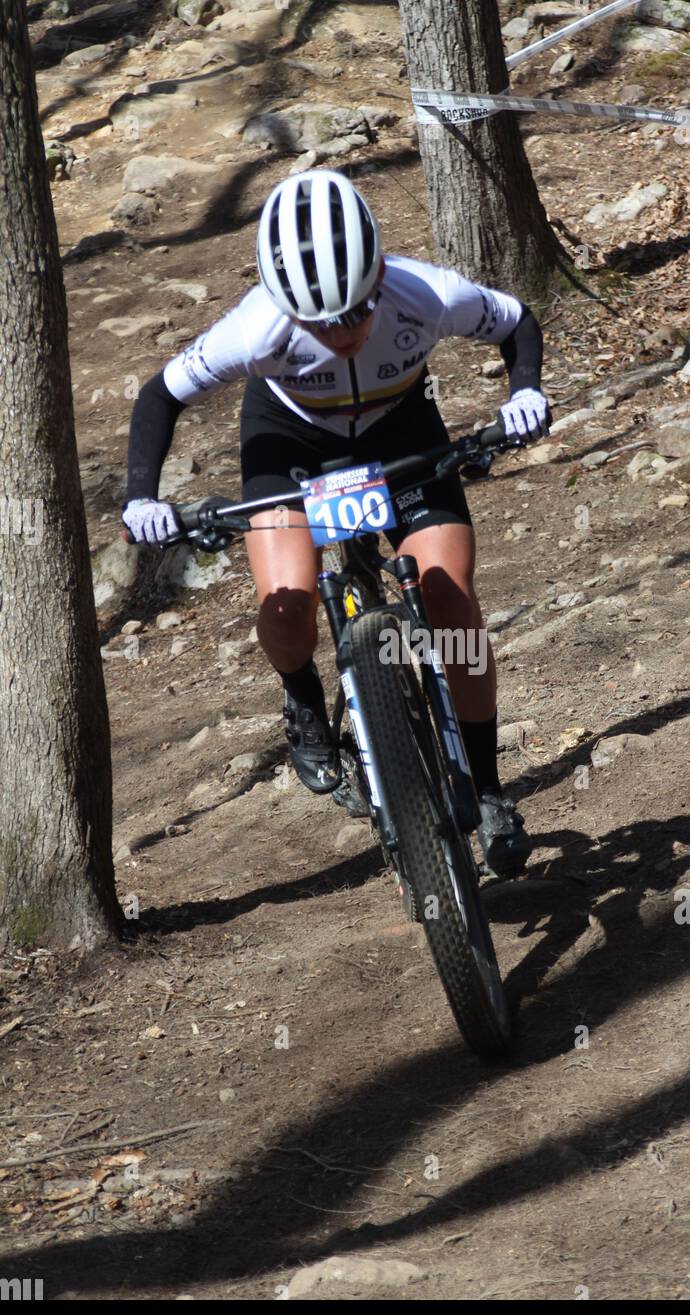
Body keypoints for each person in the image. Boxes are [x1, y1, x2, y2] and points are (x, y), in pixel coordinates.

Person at [123, 170, 551, 877]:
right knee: (287, 605)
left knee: (450, 602)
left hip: (399, 429)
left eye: (355, 312)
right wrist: (142, 497)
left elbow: (516, 323)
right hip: (289, 445)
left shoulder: (426, 293)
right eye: (319, 323)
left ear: (379, 273)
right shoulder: (255, 329)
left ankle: (490, 785)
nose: (343, 332)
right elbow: (159, 396)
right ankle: (304, 707)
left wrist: (526, 392)